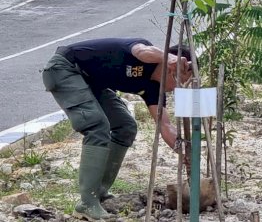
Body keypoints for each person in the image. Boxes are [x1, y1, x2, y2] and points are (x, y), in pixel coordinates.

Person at [41, 38, 192, 220]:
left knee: (125, 126)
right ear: (170, 68)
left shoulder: (152, 87)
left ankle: (99, 192)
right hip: (66, 68)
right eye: (179, 80)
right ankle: (87, 203)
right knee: (97, 126)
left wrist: (184, 151)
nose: (176, 88)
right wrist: (169, 57)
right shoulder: (146, 53)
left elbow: (165, 124)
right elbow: (141, 51)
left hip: (92, 82)